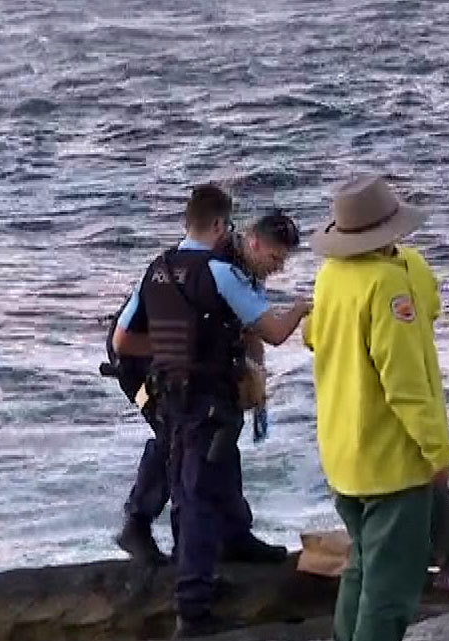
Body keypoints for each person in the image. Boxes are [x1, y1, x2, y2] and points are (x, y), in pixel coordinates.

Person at [114, 183, 311, 638]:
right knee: (194, 487)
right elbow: (274, 331)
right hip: (188, 391)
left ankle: (233, 539)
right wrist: (300, 309)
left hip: (168, 384)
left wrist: (174, 351)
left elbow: (123, 338)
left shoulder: (157, 267)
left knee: (205, 467)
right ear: (222, 226)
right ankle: (193, 606)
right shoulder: (222, 272)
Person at [301, 173, 449, 641]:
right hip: (391, 463)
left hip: (344, 453)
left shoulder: (331, 276)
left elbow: (312, 334)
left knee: (362, 567)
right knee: (391, 590)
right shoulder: (390, 287)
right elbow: (404, 384)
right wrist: (437, 450)